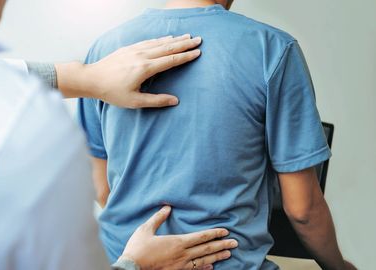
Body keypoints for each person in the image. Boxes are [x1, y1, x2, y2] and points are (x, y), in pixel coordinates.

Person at [0, 0, 239, 270]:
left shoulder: (105, 47)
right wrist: (136, 265)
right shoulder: (22, 125)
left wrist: (82, 76)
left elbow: (102, 188)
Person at [77, 0, 357, 269]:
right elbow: (303, 209)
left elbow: (101, 188)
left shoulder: (104, 49)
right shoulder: (271, 48)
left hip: (120, 260)